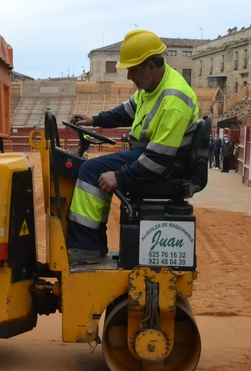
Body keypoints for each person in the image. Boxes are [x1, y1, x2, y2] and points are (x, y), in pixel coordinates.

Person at [66, 29, 199, 266]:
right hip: (153, 154)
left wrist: (119, 176)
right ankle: (93, 244)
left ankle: (85, 248)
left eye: (132, 69)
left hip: (166, 164)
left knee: (90, 171)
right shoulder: (152, 88)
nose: (129, 76)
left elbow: (158, 160)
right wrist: (95, 119)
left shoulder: (174, 100)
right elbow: (127, 111)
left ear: (150, 66)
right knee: (94, 168)